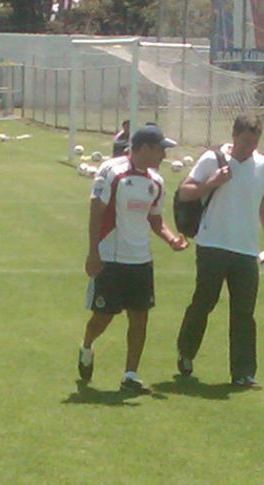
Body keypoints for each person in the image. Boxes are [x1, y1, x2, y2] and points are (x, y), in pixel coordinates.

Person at [78, 125, 188, 394]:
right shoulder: (112, 172)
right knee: (102, 318)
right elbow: (96, 211)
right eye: (161, 149)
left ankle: (130, 375)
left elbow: (154, 219)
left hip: (141, 260)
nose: (164, 154)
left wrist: (171, 238)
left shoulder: (156, 182)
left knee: (139, 318)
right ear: (145, 148)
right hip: (111, 259)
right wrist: (93, 252)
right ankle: (87, 346)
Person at [175, 112, 264, 390]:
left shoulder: (263, 165)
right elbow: (185, 192)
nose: (249, 149)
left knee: (244, 313)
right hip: (212, 245)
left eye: (254, 143)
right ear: (233, 136)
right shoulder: (212, 159)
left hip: (246, 250)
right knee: (204, 302)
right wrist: (212, 182)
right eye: (244, 142)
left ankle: (243, 373)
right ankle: (186, 351)